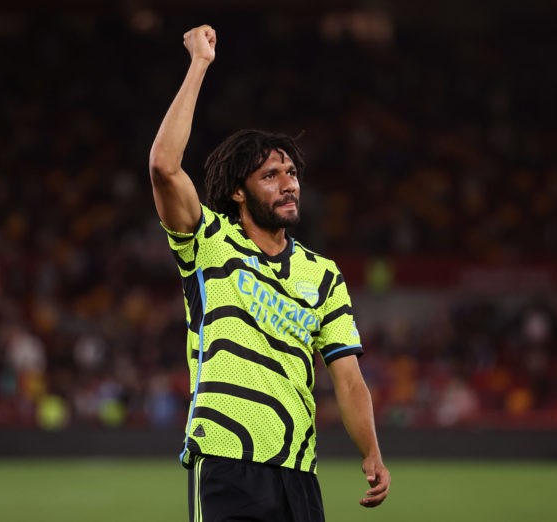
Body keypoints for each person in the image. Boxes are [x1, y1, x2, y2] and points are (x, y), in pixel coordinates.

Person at [149, 24, 390, 521]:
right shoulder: (209, 243)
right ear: (239, 191)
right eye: (271, 176)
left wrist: (371, 449)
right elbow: (164, 167)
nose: (289, 185)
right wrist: (199, 65)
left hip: (299, 472)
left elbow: (348, 379)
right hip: (225, 462)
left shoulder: (323, 275)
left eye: (293, 174)